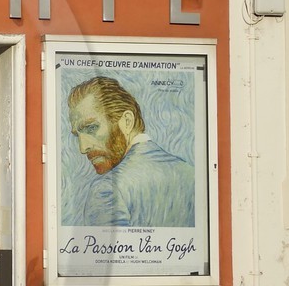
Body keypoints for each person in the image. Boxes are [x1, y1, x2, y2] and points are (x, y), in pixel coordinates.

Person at [66, 75, 194, 227]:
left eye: (91, 128)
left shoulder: (107, 190)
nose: (83, 147)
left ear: (127, 121)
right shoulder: (191, 175)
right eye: (77, 136)